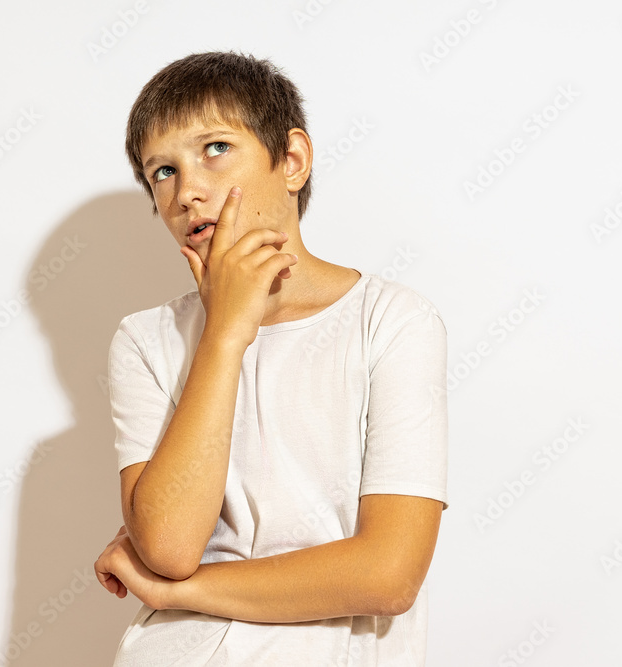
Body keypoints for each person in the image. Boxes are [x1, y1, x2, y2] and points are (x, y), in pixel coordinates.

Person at [94, 50, 449, 666]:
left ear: (292, 161)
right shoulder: (145, 340)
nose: (188, 191)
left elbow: (388, 575)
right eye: (162, 172)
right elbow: (170, 546)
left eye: (215, 149)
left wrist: (184, 591)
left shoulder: (391, 321)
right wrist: (226, 331)